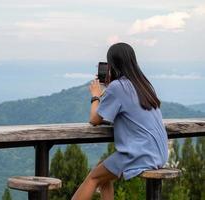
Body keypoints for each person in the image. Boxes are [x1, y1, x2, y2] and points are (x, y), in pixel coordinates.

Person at [71, 43, 168, 200]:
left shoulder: (118, 87)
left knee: (93, 178)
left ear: (112, 64)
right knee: (103, 176)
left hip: (139, 154)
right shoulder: (144, 85)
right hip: (159, 153)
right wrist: (110, 89)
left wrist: (96, 95)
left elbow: (94, 119)